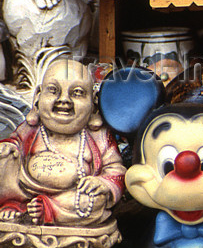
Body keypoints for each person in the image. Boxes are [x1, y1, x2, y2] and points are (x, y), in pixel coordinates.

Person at [0, 58, 125, 226]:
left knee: (93, 200)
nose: (64, 99)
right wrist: (8, 147)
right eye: (53, 90)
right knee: (3, 158)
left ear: (93, 102)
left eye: (78, 93)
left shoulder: (98, 136)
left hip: (71, 199)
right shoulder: (30, 129)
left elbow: (116, 169)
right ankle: (14, 205)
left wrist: (102, 183)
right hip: (25, 192)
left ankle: (48, 211)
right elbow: (14, 144)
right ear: (38, 96)